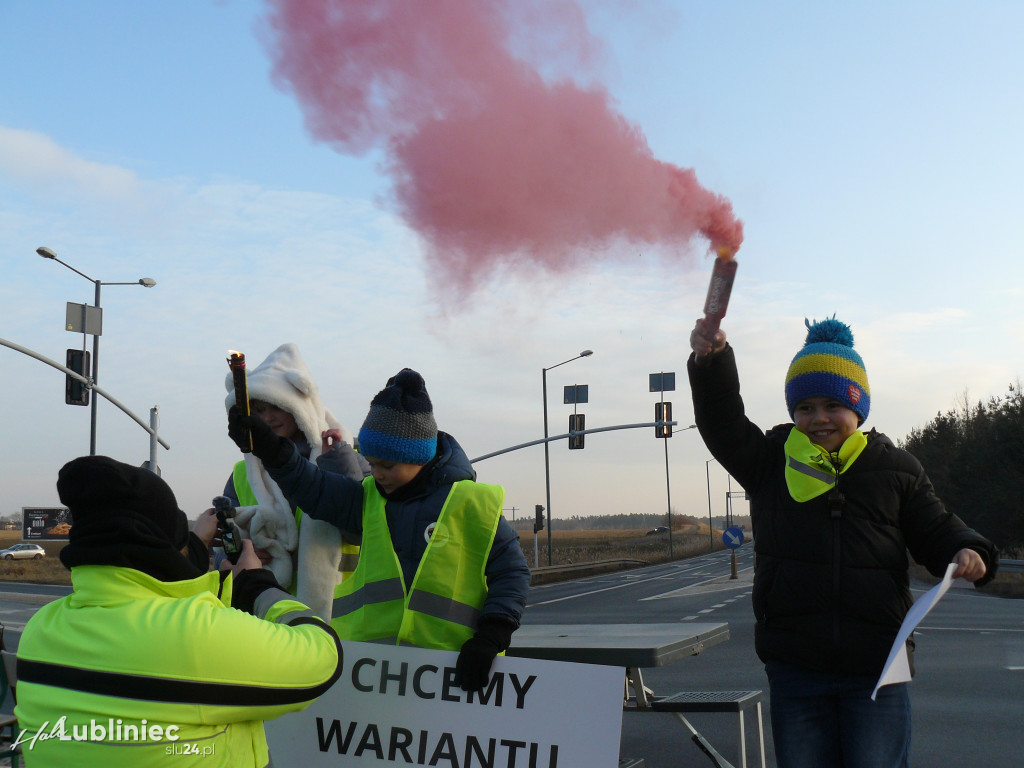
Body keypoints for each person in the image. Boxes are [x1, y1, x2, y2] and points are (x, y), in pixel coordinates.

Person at [687, 315, 998, 768]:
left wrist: (969, 549)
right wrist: (711, 362)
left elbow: (937, 528)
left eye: (832, 405)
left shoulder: (897, 469)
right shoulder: (770, 461)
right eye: (806, 407)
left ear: (858, 408)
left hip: (877, 670)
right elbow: (721, 422)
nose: (819, 419)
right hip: (795, 670)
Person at [14, 455, 341, 767]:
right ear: (164, 542)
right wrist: (256, 584)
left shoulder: (41, 629)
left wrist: (193, 546)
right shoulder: (198, 637)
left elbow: (147, 587)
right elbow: (323, 658)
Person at [228, 367, 531, 692]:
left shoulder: (473, 504)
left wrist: (490, 637)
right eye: (372, 464)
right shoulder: (368, 498)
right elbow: (312, 486)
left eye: (388, 466)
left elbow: (511, 572)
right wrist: (270, 447)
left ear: (421, 457)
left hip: (455, 675)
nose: (378, 474)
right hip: (374, 681)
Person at [221, 342, 369, 623]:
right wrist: (241, 554)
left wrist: (339, 463)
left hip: (342, 618)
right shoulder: (241, 474)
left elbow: (366, 524)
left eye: (276, 407)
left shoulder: (345, 454)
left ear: (299, 406)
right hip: (265, 618)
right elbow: (223, 543)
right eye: (258, 410)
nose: (266, 418)